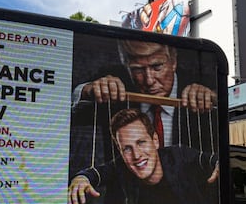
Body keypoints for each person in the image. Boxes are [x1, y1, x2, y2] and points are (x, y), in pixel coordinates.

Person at [67, 108, 218, 204]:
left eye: (141, 142)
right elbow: (98, 172)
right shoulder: (122, 166)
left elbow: (210, 159)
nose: (136, 155)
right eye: (127, 148)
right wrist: (82, 177)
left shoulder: (179, 155)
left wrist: (219, 163)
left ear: (155, 140)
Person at [72, 39, 216, 148]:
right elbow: (67, 113)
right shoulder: (116, 84)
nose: (149, 80)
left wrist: (213, 99)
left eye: (157, 67)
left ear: (173, 61)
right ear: (126, 66)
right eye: (138, 69)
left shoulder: (201, 82)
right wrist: (87, 91)